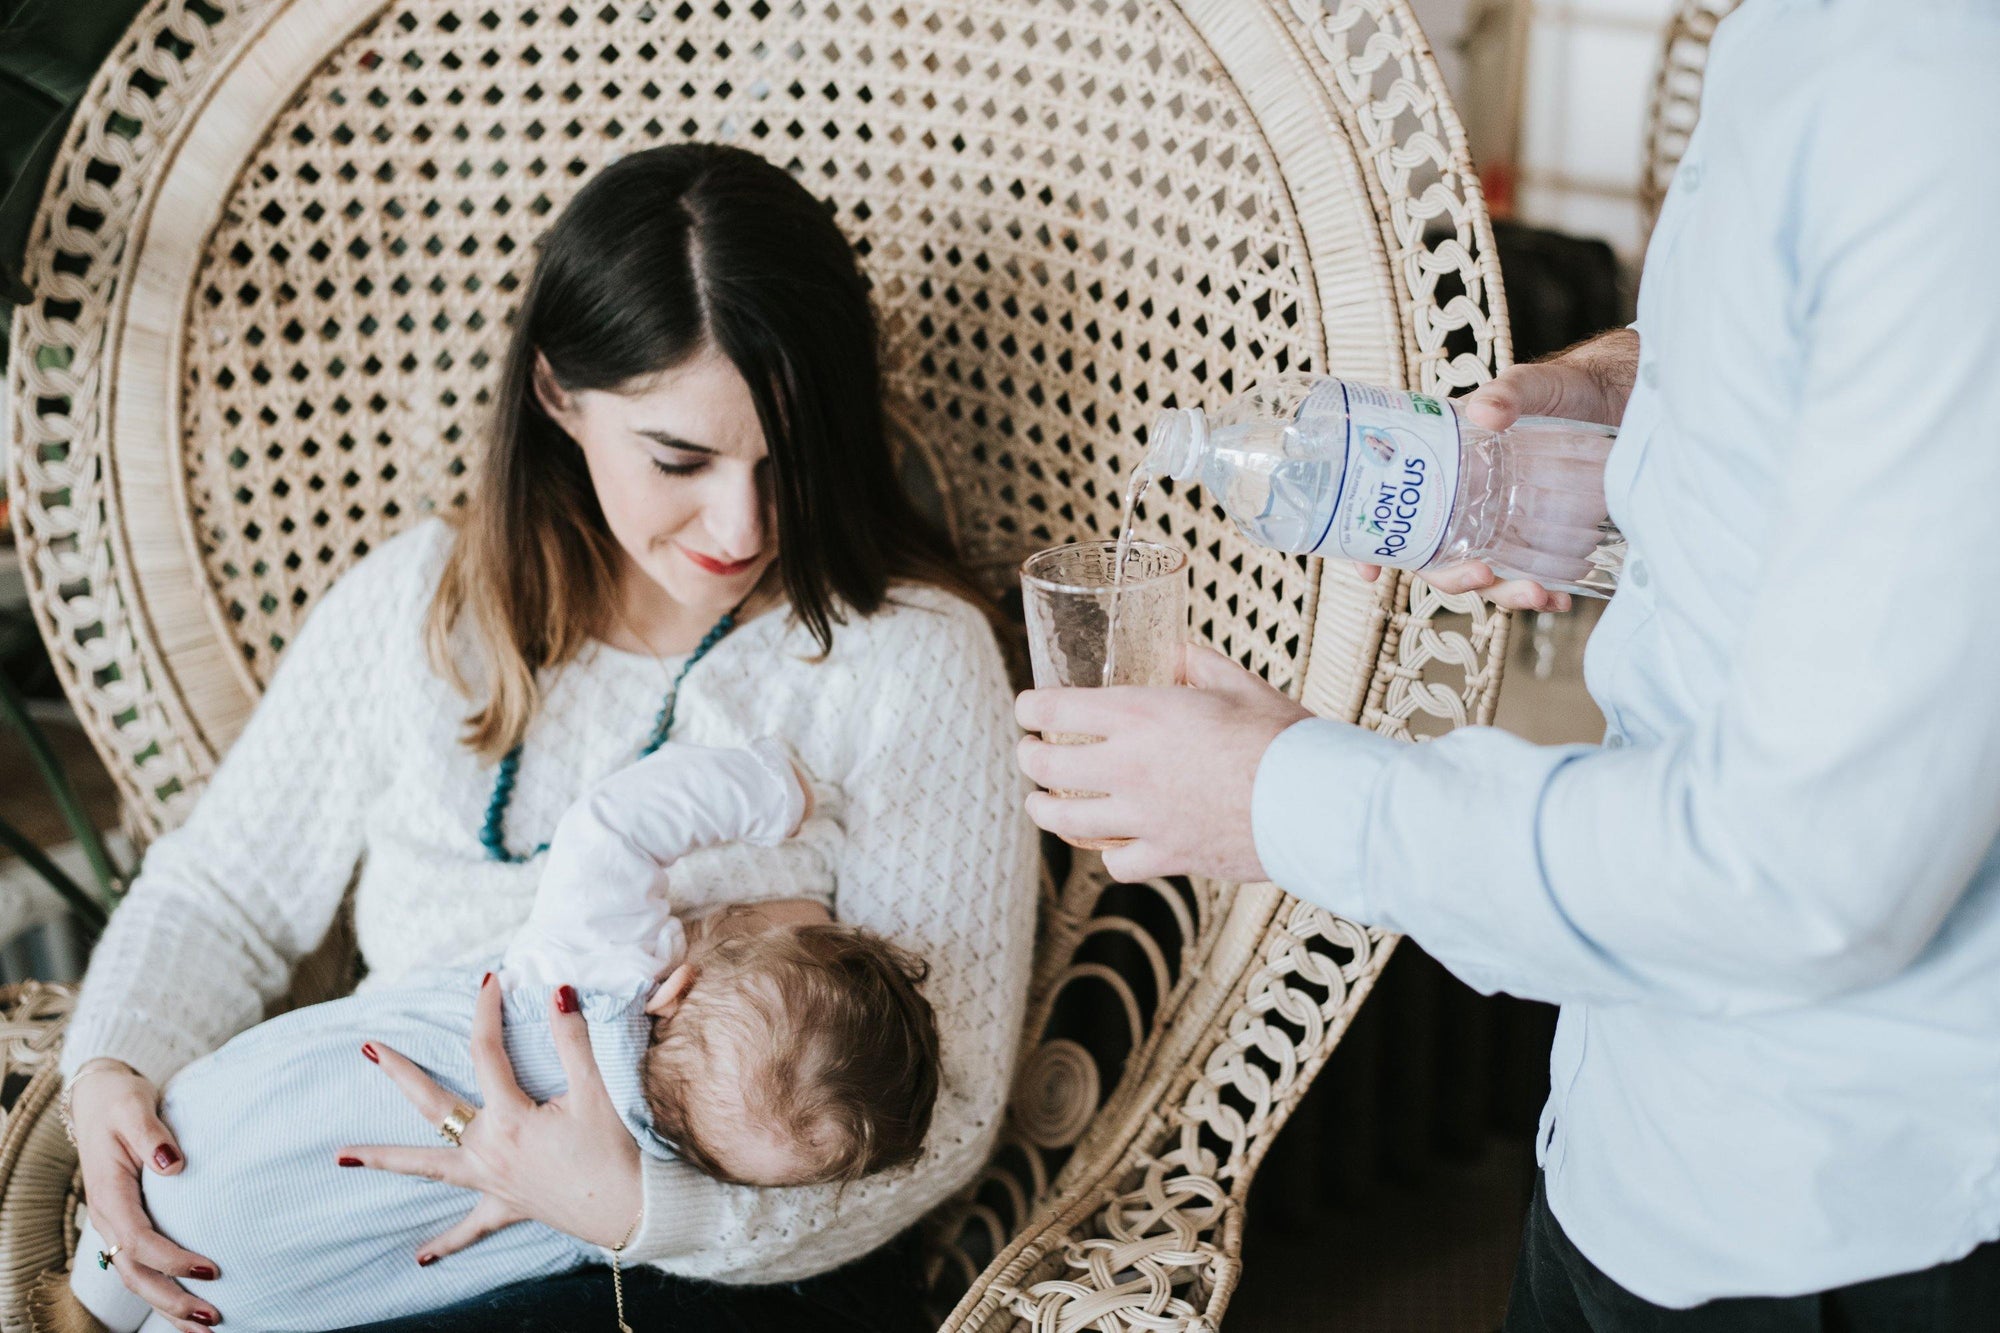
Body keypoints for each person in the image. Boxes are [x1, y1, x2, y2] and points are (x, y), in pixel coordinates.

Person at [1015, 3, 2000, 1328]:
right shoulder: (1808, 40)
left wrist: (1279, 799)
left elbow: (1802, 875)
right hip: (1629, 1121)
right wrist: (1636, 397)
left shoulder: (1941, 101)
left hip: (1837, 1205)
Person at [59, 142, 1037, 1333]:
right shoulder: (423, 604)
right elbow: (223, 896)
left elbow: (950, 1112)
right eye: (679, 457)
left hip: (709, 1274)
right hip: (370, 1235)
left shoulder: (908, 658)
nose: (740, 523)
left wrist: (632, 1206)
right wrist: (111, 1066)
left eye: (786, 460)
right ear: (557, 396)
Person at [65, 739, 943, 1333]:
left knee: (128, 1250)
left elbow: (618, 820)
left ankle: (84, 1298)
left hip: (219, 1131)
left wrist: (772, 790)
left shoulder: (600, 962)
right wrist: (103, 1061)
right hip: (292, 1289)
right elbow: (214, 893)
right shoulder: (646, 1179)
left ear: (678, 988)